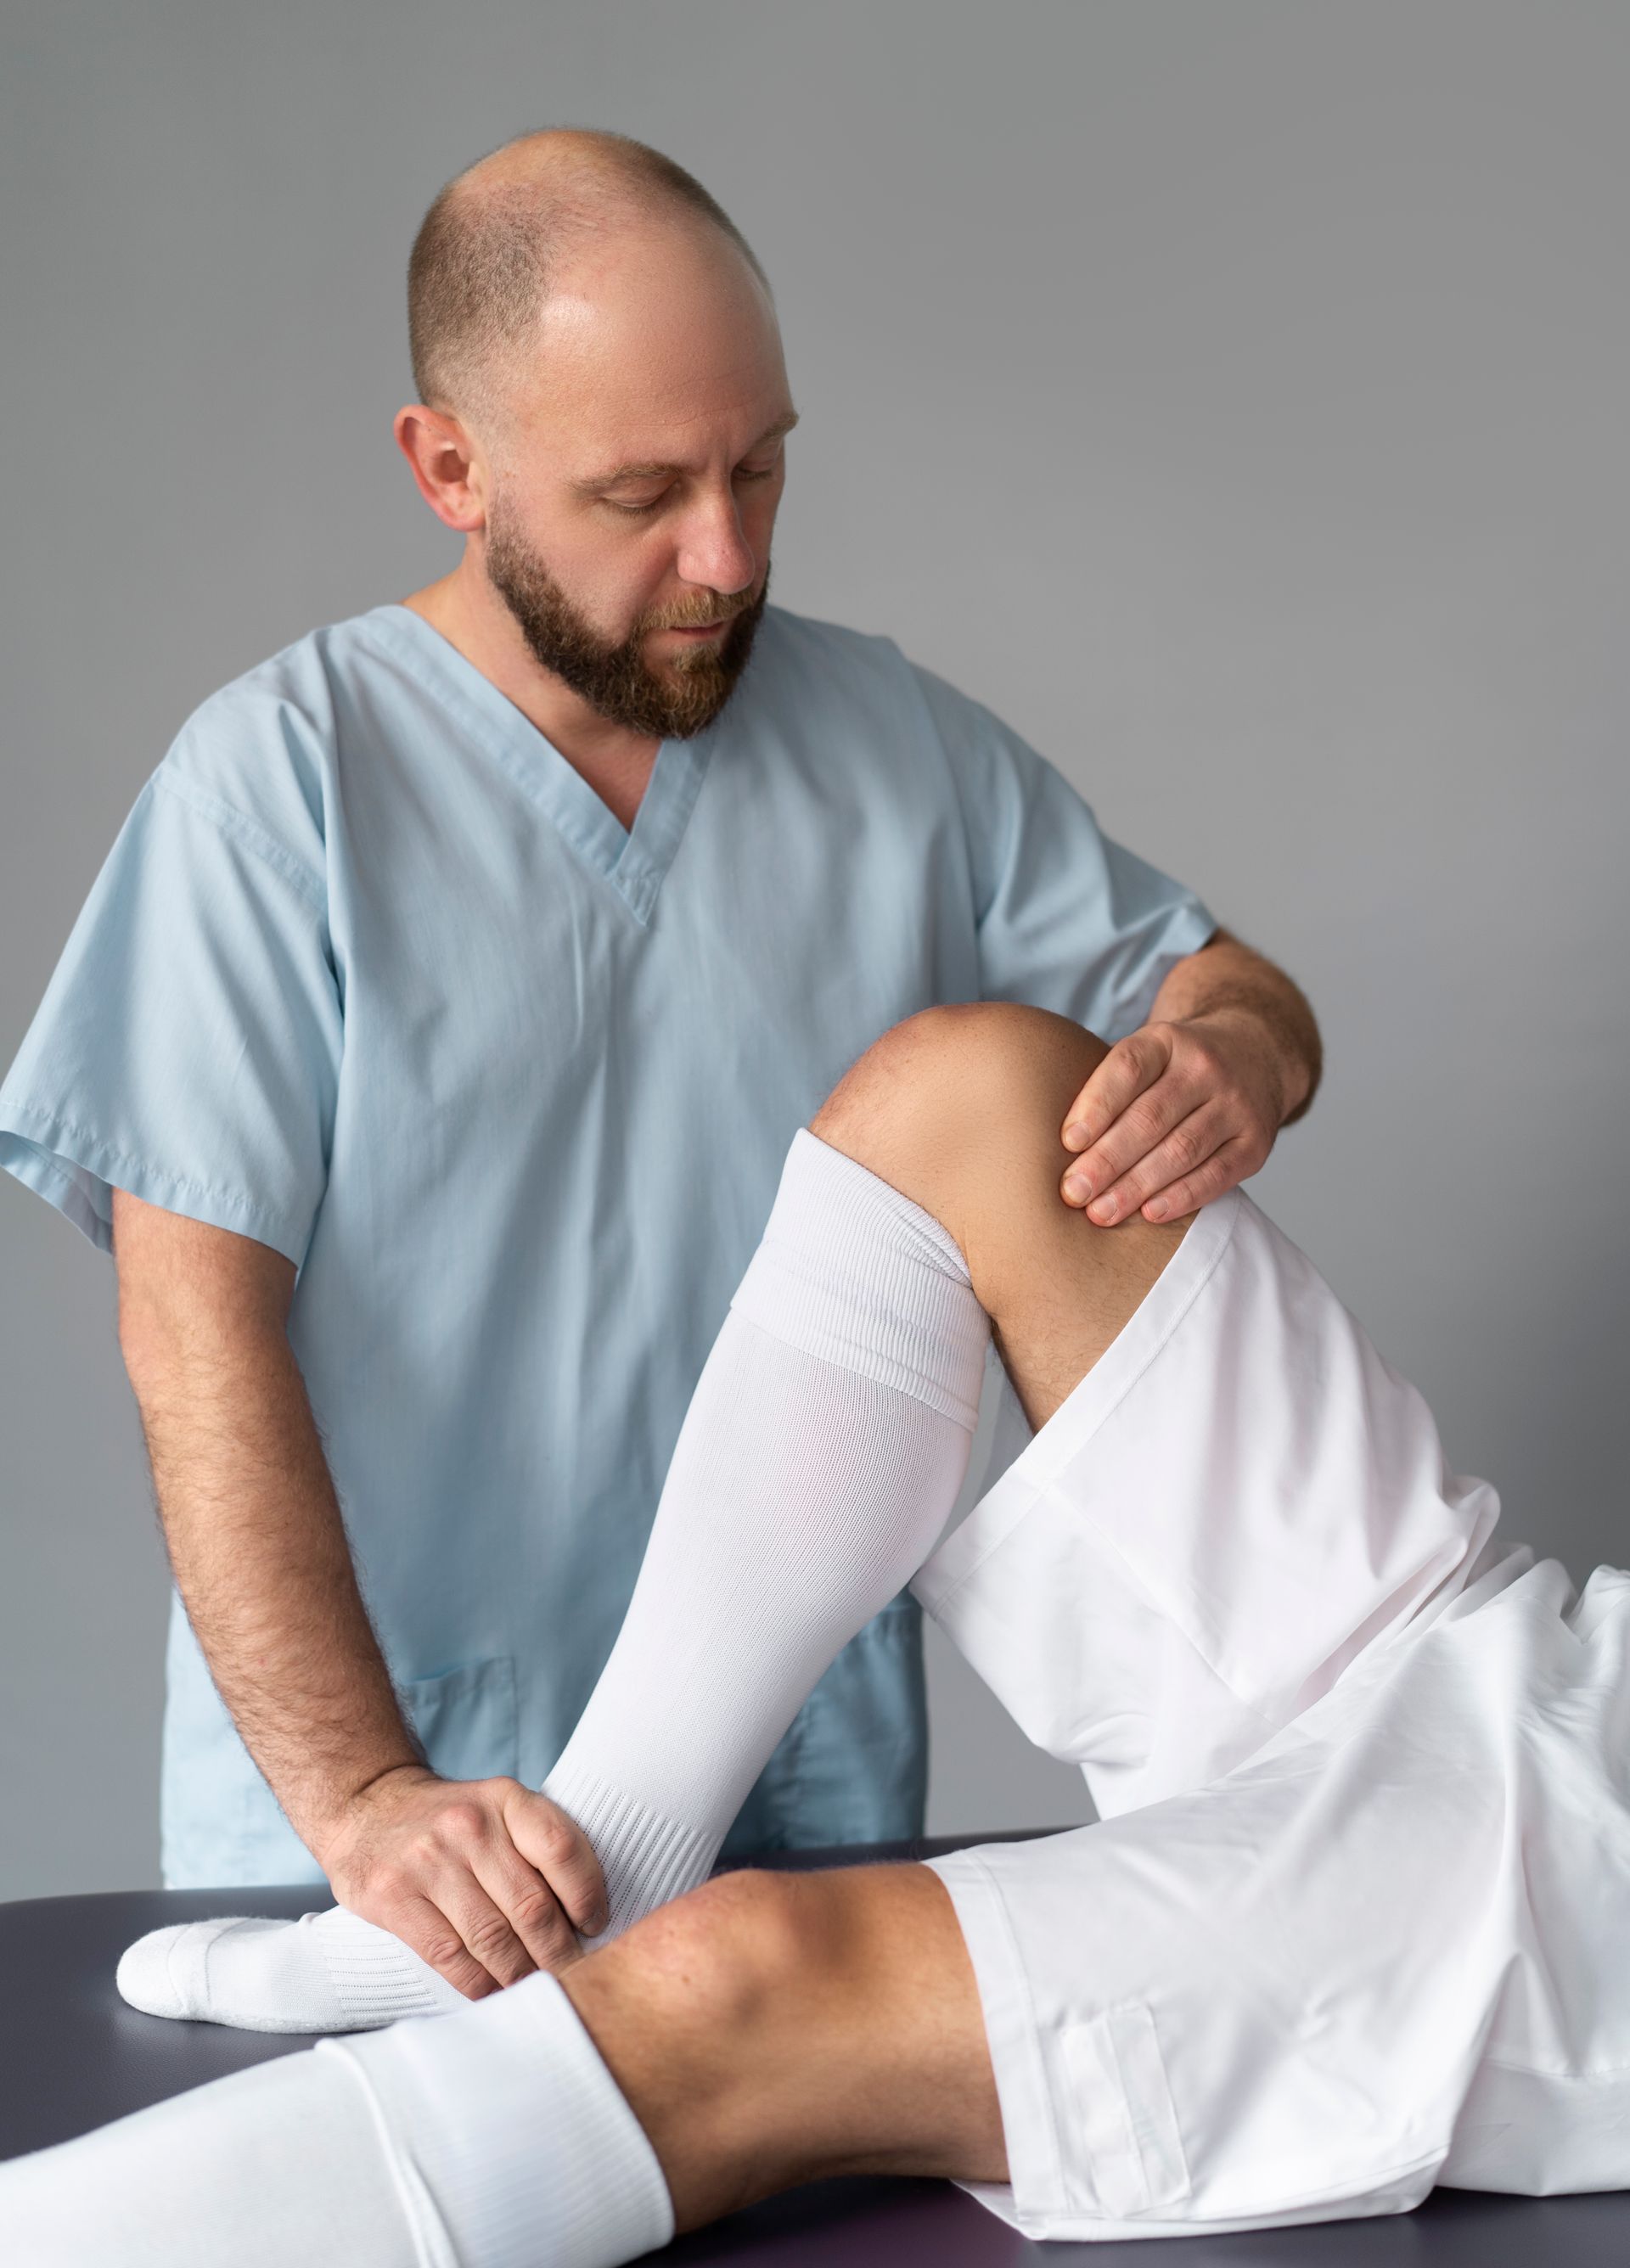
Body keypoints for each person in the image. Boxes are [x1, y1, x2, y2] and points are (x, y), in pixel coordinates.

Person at [0, 128, 1321, 1984]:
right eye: (643, 495)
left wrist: (1236, 1060)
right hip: (403, 1839)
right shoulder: (277, 793)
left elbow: (1227, 987)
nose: (727, 556)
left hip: (807, 1826)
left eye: (760, 468)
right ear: (448, 468)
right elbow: (190, 1334)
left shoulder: (894, 749)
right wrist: (367, 1792)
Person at [6, 1002, 1624, 2261]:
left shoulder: (885, 743)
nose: (723, 556)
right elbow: (1236, 993)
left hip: (1580, 1868)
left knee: (738, 1982)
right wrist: (1238, 1053)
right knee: (971, 1096)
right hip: (1538, 1669)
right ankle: (609, 1855)